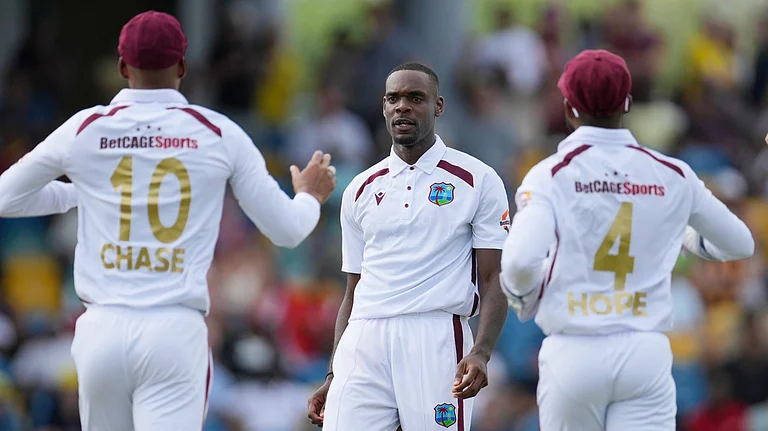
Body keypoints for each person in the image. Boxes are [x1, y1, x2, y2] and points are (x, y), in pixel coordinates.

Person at [0, 11, 336, 430]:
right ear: (182, 66)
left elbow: (6, 197)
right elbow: (287, 231)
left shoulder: (85, 128)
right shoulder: (218, 133)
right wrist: (309, 195)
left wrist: (82, 194)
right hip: (174, 333)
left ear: (123, 67)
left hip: (101, 329)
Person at [500, 49, 754, 430]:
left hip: (574, 351)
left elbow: (519, 262)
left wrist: (524, 300)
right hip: (644, 352)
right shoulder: (673, 173)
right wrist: (684, 236)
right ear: (627, 103)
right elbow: (740, 243)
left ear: (569, 107)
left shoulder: (549, 174)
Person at [307, 62, 511, 430]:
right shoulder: (360, 188)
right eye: (393, 98)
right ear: (384, 107)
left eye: (416, 97)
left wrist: (481, 351)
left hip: (434, 334)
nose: (403, 106)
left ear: (438, 105)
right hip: (364, 338)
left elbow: (495, 276)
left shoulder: (477, 180)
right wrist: (333, 371)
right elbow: (352, 290)